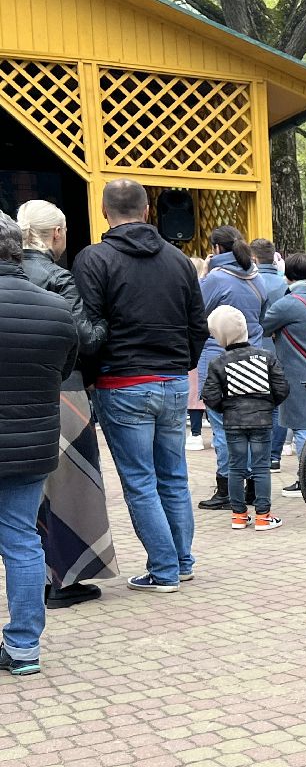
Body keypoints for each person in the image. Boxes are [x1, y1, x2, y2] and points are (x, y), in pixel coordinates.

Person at [74, 178, 206, 593]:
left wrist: (93, 377)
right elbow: (197, 326)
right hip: (171, 380)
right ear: (148, 210)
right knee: (173, 478)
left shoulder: (93, 260)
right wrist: (180, 364)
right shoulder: (179, 260)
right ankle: (181, 562)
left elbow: (89, 329)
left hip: (123, 381)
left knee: (141, 483)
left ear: (103, 211)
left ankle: (165, 570)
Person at [17, 201, 120, 610]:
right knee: (70, 490)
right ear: (57, 233)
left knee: (30, 491)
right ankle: (66, 579)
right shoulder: (58, 278)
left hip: (17, 392)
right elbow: (86, 339)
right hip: (65, 389)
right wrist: (107, 320)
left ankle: (36, 577)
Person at [0, 210, 81, 672]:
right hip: (31, 443)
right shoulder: (54, 308)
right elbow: (65, 368)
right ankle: (24, 647)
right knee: (21, 540)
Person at [197, 227, 270, 511]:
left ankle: (227, 487)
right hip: (253, 356)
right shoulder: (257, 277)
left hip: (218, 357)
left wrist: (203, 276)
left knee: (222, 427)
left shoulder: (215, 279)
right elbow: (262, 318)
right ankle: (252, 487)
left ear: (216, 249)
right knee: (248, 424)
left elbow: (196, 312)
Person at [200, 305, 289, 532]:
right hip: (261, 420)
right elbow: (281, 388)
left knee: (235, 467)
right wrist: (267, 405)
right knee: (261, 467)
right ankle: (263, 516)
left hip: (233, 421)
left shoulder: (218, 363)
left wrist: (226, 408)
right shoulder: (265, 357)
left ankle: (239, 516)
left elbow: (209, 396)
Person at [260, 253, 306, 497]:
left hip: (296, 373)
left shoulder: (288, 303)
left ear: (288, 274)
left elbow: (263, 325)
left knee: (302, 429)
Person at [252, 238, 290, 472]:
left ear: (253, 258)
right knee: (277, 404)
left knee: (254, 404)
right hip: (278, 350)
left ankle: (258, 454)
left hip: (253, 348)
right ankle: (274, 455)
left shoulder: (248, 282)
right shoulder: (283, 285)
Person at [186, 256, 209, 451]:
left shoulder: (197, 288)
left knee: (194, 393)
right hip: (209, 343)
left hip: (195, 346)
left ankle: (195, 433)